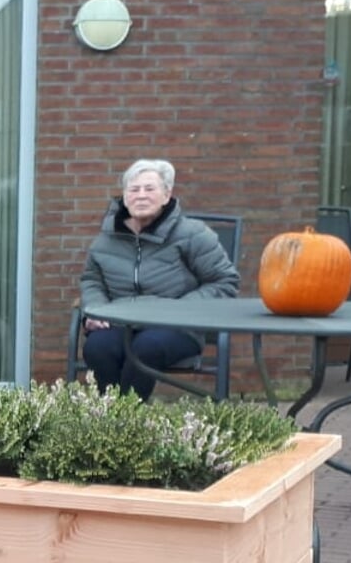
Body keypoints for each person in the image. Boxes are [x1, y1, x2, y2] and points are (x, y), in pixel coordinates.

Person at [77, 158, 239, 400]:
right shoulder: (107, 237)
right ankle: (113, 420)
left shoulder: (193, 233)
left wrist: (175, 311)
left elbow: (225, 282)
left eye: (149, 189)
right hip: (122, 322)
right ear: (125, 196)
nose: (141, 195)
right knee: (98, 347)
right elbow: (92, 279)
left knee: (146, 348)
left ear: (167, 195)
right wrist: (95, 309)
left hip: (177, 327)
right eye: (134, 189)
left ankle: (127, 423)